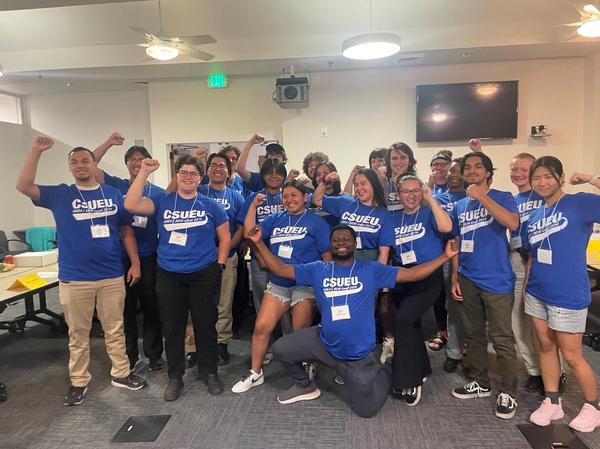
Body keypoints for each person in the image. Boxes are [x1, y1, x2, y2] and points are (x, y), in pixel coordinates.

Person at [245, 224, 457, 417]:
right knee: (281, 348)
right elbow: (280, 269)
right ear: (330, 245)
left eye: (346, 239)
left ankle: (386, 369)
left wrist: (445, 257)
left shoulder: (371, 269)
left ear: (355, 244)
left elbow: (414, 274)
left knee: (367, 410)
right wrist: (259, 243)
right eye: (336, 240)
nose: (341, 243)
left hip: (356, 357)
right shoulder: (318, 269)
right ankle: (305, 386)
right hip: (324, 343)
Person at [16, 136, 147, 406]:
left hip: (111, 274)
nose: (80, 165)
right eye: (74, 162)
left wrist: (135, 262)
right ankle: (79, 381)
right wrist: (36, 151)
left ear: (93, 163)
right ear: (70, 167)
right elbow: (24, 186)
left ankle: (121, 373)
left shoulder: (112, 194)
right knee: (78, 334)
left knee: (115, 329)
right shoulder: (60, 194)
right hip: (75, 278)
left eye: (85, 160)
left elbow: (126, 231)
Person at [124, 155, 230, 401]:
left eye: (193, 173)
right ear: (176, 175)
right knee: (172, 328)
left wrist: (220, 264)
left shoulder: (211, 205)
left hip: (203, 274)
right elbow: (130, 204)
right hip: (169, 275)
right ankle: (175, 377)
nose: (188, 177)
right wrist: (144, 172)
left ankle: (209, 372)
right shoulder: (162, 201)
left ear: (200, 178)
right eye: (183, 172)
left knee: (206, 326)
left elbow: (225, 237)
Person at [232, 180, 331, 393]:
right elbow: (250, 233)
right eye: (285, 196)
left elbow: (327, 258)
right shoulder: (274, 219)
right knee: (261, 328)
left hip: (305, 285)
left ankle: (305, 367)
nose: (289, 200)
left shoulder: (317, 223)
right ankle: (255, 372)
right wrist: (253, 206)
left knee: (298, 333)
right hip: (278, 283)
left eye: (294, 195)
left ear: (305, 198)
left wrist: (325, 287)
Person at [525, 160, 600, 432]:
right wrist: (527, 288)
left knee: (572, 355)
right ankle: (553, 401)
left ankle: (593, 407)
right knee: (546, 346)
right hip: (537, 292)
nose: (542, 182)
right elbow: (533, 256)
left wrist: (591, 178)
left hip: (568, 293)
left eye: (548, 176)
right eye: (537, 178)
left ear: (561, 177)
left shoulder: (579, 203)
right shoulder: (535, 215)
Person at [449, 152, 520, 420]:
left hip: (497, 278)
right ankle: (480, 381)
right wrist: (455, 276)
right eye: (467, 167)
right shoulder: (459, 205)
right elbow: (457, 242)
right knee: (474, 333)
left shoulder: (502, 196)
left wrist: (482, 197)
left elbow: (512, 223)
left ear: (489, 172)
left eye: (478, 167)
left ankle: (508, 391)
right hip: (467, 276)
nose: (472, 171)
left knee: (501, 337)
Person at [92, 132, 165, 372]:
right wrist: (108, 143)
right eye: (132, 160)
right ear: (126, 164)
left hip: (149, 256)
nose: (136, 163)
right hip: (119, 258)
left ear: (148, 163)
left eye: (141, 159)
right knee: (125, 310)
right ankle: (130, 356)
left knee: (152, 307)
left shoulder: (158, 192)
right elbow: (91, 164)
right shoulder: (117, 186)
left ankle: (154, 355)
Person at [389, 175, 452, 406]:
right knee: (411, 323)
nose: (411, 195)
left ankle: (410, 378)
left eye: (416, 190)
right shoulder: (392, 218)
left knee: (404, 320)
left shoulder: (428, 212)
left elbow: (447, 227)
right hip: (402, 276)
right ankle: (422, 366)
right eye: (406, 191)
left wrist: (431, 199)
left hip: (428, 274)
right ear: (398, 195)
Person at [197, 152, 245, 365]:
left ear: (229, 171)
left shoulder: (235, 196)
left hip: (228, 257)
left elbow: (241, 227)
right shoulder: (198, 191)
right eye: (213, 165)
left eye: (222, 166)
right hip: (199, 259)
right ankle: (195, 345)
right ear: (207, 170)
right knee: (198, 303)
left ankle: (221, 343)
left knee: (224, 303)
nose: (217, 169)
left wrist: (226, 248)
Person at [508, 152, 544, 392]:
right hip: (517, 262)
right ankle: (534, 371)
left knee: (543, 324)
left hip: (542, 264)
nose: (518, 173)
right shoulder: (512, 200)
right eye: (514, 169)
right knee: (518, 322)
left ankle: (556, 371)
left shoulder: (544, 195)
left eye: (524, 169)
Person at [435, 158, 467, 373]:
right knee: (451, 305)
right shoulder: (437, 199)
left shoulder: (471, 198)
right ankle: (453, 351)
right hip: (442, 256)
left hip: (468, 257)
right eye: (451, 170)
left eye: (458, 171)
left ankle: (468, 345)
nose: (453, 174)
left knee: (465, 306)